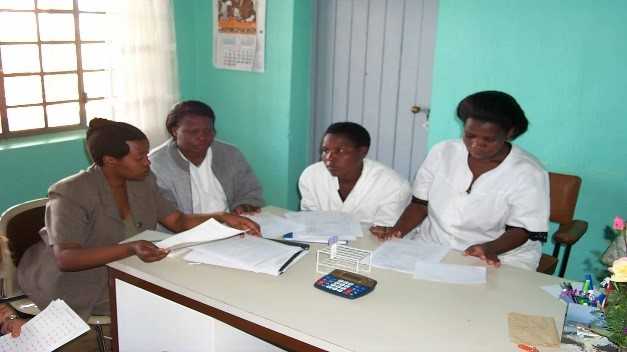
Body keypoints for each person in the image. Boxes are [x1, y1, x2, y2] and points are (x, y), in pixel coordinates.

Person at [17, 119, 260, 320]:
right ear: (110, 161)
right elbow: (67, 258)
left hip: (130, 267)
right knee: (169, 307)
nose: (148, 162)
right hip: (80, 280)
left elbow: (177, 221)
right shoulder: (70, 192)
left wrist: (223, 217)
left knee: (201, 288)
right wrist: (130, 249)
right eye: (140, 157)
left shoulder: (142, 181)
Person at [371, 91, 549, 270]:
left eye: (488, 139)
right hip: (432, 245)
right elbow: (420, 204)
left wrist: (489, 248)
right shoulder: (442, 152)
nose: (475, 144)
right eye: (469, 135)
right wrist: (396, 231)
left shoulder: (528, 172)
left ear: (509, 133)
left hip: (499, 254)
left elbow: (523, 229)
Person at [150, 100, 264, 216]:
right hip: (185, 232)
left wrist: (244, 205)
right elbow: (170, 216)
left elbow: (250, 190)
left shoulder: (230, 154)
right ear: (175, 131)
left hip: (232, 226)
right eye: (193, 132)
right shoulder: (156, 164)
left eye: (208, 131)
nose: (202, 137)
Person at [298, 122, 411, 226]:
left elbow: (384, 233)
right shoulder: (311, 175)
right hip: (324, 242)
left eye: (339, 151)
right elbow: (309, 220)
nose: (329, 158)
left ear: (363, 152)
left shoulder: (394, 186)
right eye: (325, 150)